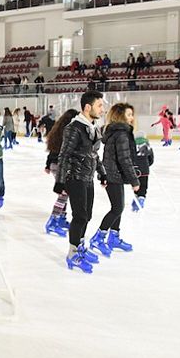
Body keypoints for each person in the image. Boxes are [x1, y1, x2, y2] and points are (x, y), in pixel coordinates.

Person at [55, 90, 106, 274]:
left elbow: (93, 154)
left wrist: (102, 172)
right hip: (74, 177)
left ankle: (81, 246)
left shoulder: (92, 127)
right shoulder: (74, 127)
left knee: (88, 215)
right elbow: (64, 155)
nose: (102, 109)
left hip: (88, 177)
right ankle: (72, 254)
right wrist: (60, 181)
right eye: (99, 105)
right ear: (87, 107)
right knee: (80, 216)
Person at [90, 103, 140, 259]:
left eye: (132, 114)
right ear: (120, 116)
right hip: (113, 175)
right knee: (117, 208)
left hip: (113, 174)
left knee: (118, 207)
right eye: (129, 114)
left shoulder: (117, 132)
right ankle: (98, 238)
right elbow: (124, 159)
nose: (132, 118)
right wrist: (134, 180)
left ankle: (113, 237)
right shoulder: (122, 134)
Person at [44, 109, 79, 236]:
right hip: (61, 166)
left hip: (55, 164)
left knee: (65, 193)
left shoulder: (59, 129)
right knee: (64, 194)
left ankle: (61, 218)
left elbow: (52, 150)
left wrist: (48, 165)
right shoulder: (69, 131)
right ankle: (53, 221)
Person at [131, 131, 154, 212]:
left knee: (136, 185)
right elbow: (151, 158)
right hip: (144, 169)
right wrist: (148, 164)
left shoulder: (132, 144)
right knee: (143, 186)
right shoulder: (147, 145)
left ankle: (135, 201)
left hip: (134, 169)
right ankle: (141, 198)